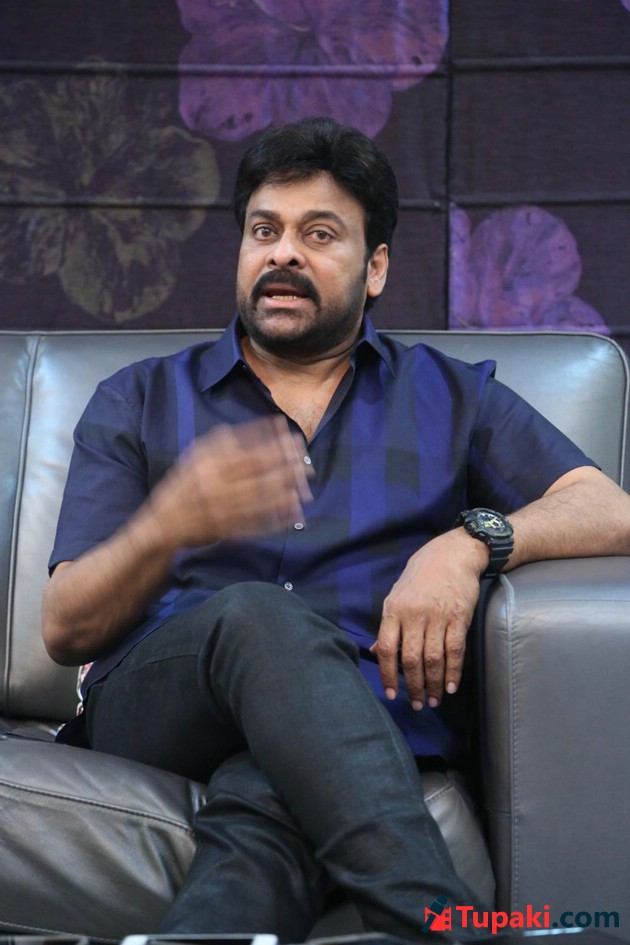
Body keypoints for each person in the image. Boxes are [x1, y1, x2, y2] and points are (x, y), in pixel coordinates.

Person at [42, 117, 630, 943]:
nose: (283, 253)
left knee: (271, 798)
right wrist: (168, 523)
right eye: (264, 230)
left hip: (358, 722)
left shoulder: (451, 396)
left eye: (319, 234)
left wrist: (469, 544)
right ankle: (448, 923)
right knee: (260, 614)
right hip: (166, 704)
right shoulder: (139, 398)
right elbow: (65, 628)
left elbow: (608, 507)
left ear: (375, 266)